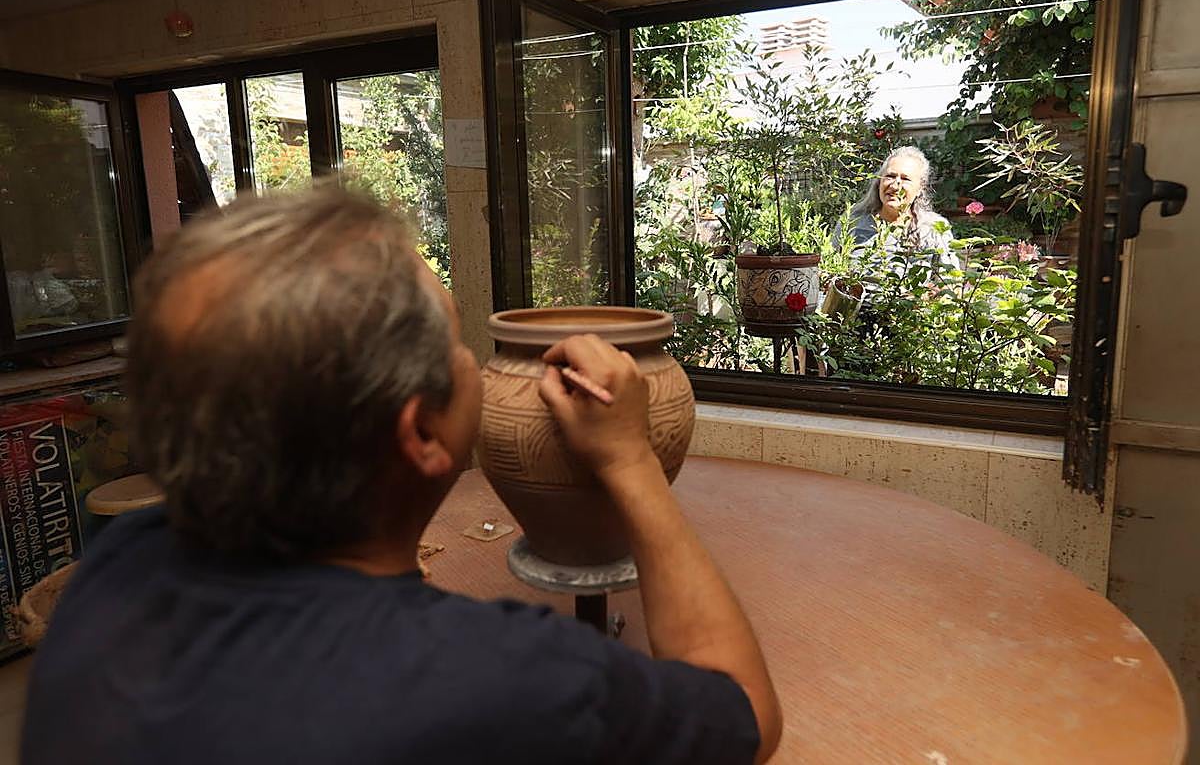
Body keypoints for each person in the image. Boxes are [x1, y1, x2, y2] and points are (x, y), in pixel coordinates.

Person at [21, 188, 782, 765]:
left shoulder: (117, 568)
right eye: (454, 342)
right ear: (421, 433)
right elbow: (744, 712)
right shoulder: (494, 679)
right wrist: (628, 459)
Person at [838, 145, 958, 269]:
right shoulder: (852, 222)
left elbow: (950, 283)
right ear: (879, 182)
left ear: (920, 188)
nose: (895, 186)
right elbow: (827, 272)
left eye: (905, 179)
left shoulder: (934, 229)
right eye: (890, 176)